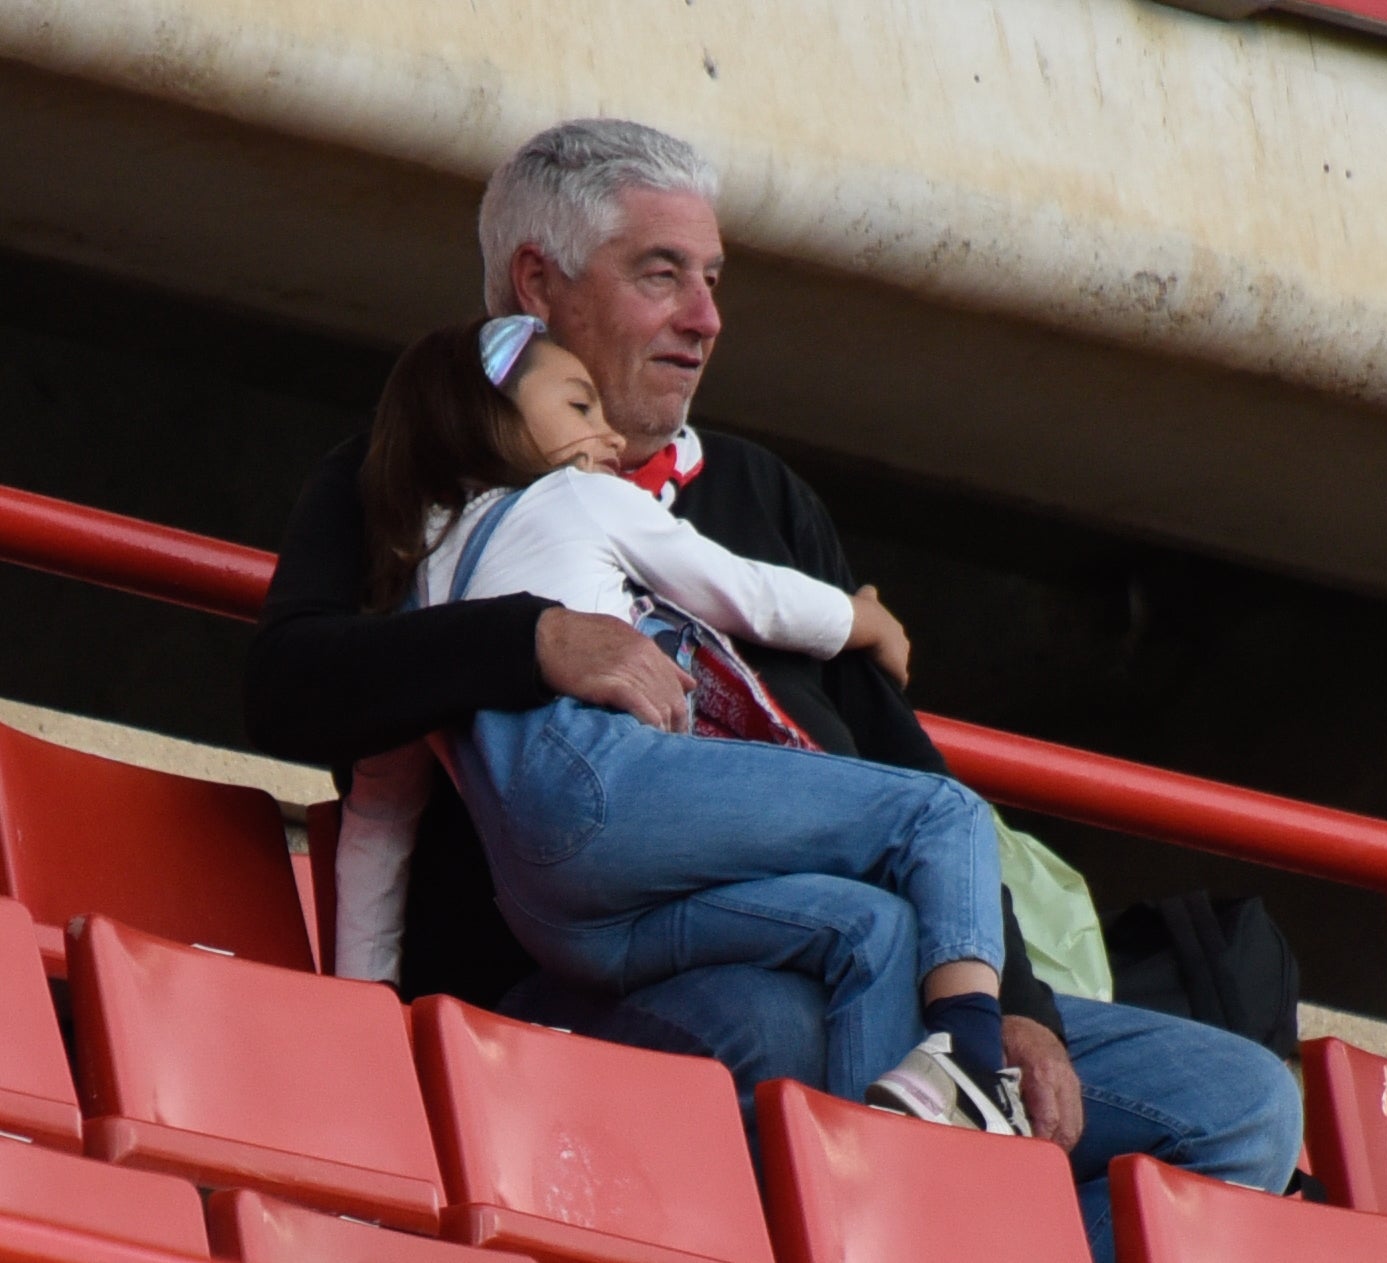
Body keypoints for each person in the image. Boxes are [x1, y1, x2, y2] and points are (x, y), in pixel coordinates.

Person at [244, 117, 1301, 1263]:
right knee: (773, 1016)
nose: (705, 319)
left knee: (1238, 1103)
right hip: (582, 989)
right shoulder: (404, 472)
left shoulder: (759, 492)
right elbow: (289, 689)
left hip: (882, 966)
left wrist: (1018, 1009)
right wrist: (531, 639)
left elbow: (905, 770)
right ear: (535, 285)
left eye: (711, 280)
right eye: (661, 274)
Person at [334, 313, 1025, 1134]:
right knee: (943, 813)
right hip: (601, 786)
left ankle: (856, 1205)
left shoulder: (414, 598)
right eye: (579, 407)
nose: (610, 435)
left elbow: (375, 824)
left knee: (870, 925)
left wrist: (362, 1021)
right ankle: (977, 1062)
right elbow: (743, 591)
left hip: (551, 910)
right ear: (495, 420)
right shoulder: (575, 496)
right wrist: (862, 618)